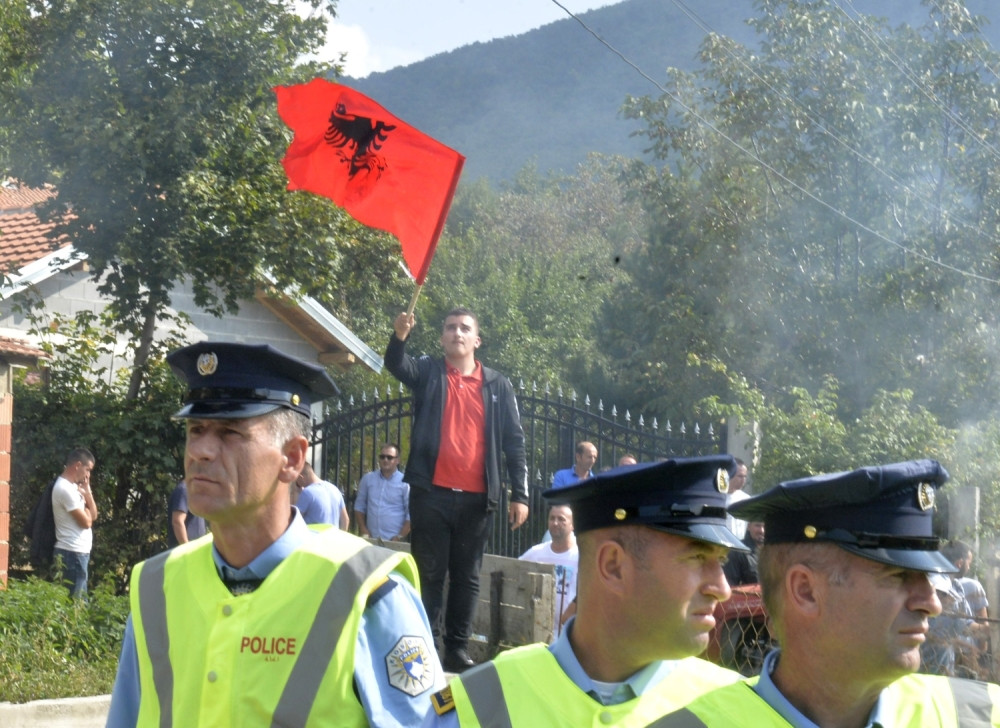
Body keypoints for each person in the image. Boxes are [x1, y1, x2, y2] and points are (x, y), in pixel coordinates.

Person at [105, 342, 443, 727]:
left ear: (293, 459)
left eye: (230, 432)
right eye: (195, 429)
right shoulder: (156, 588)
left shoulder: (367, 592)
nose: (200, 449)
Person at [655, 459, 1000, 727]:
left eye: (926, 577)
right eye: (897, 576)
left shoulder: (978, 715)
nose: (932, 603)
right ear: (805, 590)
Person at [424, 455, 752, 727]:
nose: (722, 588)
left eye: (720, 561)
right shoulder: (479, 702)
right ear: (613, 565)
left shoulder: (736, 708)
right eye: (697, 557)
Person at [385, 307, 529, 674]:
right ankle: (426, 646)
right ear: (441, 338)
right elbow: (396, 365)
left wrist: (520, 494)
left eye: (465, 328)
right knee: (429, 571)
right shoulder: (428, 372)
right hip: (430, 493)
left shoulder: (498, 385)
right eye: (450, 328)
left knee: (467, 576)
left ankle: (457, 650)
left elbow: (514, 442)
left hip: (478, 498)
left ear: (476, 340)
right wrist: (399, 336)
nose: (457, 333)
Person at [518, 504, 578, 638]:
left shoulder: (582, 556)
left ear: (572, 525)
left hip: (570, 634)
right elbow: (514, 573)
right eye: (552, 518)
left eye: (561, 519)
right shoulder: (536, 553)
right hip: (537, 632)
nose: (555, 523)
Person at [51, 447, 97, 598]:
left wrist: (87, 492)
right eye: (88, 469)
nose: (88, 475)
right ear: (78, 465)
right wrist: (87, 511)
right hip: (71, 553)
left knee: (78, 601)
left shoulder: (73, 487)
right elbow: (86, 523)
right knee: (77, 603)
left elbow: (94, 515)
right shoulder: (64, 489)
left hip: (79, 553)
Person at [355, 442, 411, 541]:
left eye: (389, 457)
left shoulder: (405, 483)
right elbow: (359, 506)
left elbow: (411, 514)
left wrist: (399, 537)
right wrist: (363, 529)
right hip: (372, 540)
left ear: (397, 460)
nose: (385, 460)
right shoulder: (368, 479)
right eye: (382, 457)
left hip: (394, 541)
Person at [295, 461, 350, 530]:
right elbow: (345, 519)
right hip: (333, 539)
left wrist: (297, 495)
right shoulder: (334, 489)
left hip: (314, 539)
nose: (298, 486)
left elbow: (295, 521)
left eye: (297, 483)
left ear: (301, 477)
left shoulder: (307, 493)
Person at [166, 479, 207, 548]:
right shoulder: (183, 490)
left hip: (195, 550)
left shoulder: (193, 492)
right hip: (184, 553)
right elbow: (177, 521)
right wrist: (187, 548)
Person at [722, 520, 763, 586]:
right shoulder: (737, 551)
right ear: (749, 526)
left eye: (765, 526)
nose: (762, 531)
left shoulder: (773, 552)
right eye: (757, 525)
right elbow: (731, 585)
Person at [725, 457, 750, 540]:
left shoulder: (746, 499)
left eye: (745, 477)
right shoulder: (717, 499)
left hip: (740, 545)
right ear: (729, 475)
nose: (743, 480)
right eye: (740, 476)